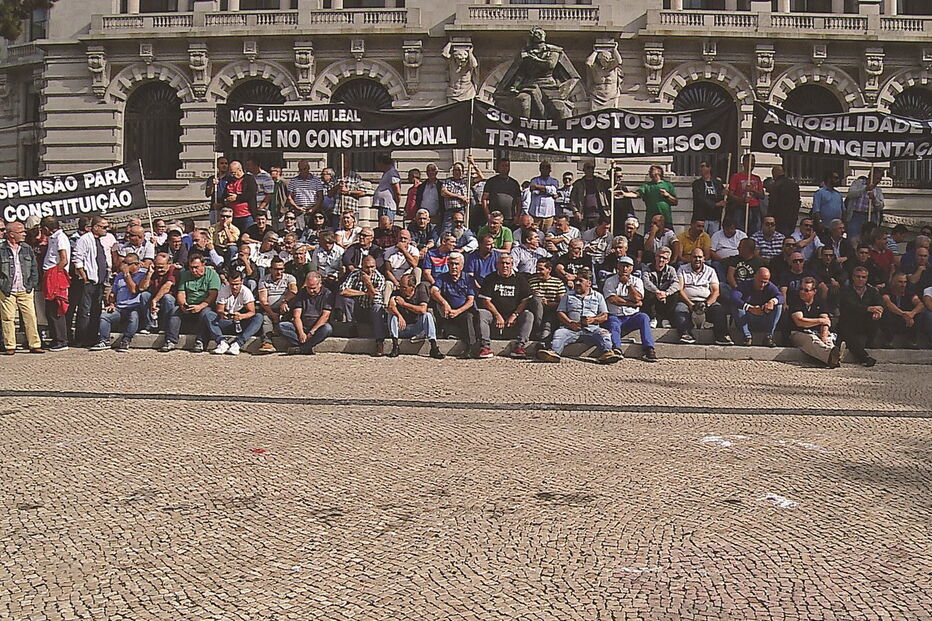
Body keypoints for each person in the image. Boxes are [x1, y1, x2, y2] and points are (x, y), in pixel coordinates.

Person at [535, 268, 621, 365]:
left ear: (589, 283)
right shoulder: (568, 295)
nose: (577, 283)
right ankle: (553, 353)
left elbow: (604, 315)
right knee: (559, 333)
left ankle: (607, 353)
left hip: (592, 328)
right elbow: (560, 312)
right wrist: (570, 323)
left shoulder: (598, 296)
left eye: (580, 281)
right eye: (576, 280)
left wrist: (593, 320)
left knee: (604, 334)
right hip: (570, 328)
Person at [476, 253, 535, 359]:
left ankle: (520, 347)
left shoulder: (520, 279)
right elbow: (486, 301)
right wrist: (497, 315)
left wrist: (515, 315)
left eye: (508, 263)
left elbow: (525, 300)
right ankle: (485, 347)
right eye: (502, 263)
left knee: (528, 315)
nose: (505, 266)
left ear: (512, 265)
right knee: (482, 313)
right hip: (494, 314)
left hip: (514, 314)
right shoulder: (490, 278)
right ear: (497, 265)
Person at [0, 221, 44, 354]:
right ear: (11, 234)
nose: (24, 234)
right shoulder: (2, 249)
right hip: (8, 289)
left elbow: (34, 267)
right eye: (21, 232)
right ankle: (10, 346)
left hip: (25, 288)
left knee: (30, 317)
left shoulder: (26, 248)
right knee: (8, 318)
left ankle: (35, 344)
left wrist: (31, 284)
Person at [603, 256, 657, 361]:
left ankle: (649, 348)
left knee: (644, 317)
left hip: (632, 316)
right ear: (618, 266)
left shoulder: (637, 281)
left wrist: (628, 284)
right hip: (615, 315)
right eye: (622, 266)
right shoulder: (610, 281)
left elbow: (637, 298)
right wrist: (632, 304)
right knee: (613, 323)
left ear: (631, 268)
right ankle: (617, 349)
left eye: (627, 266)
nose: (624, 269)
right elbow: (612, 299)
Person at [163, 254, 221, 353]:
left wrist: (200, 306)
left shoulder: (213, 275)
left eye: (196, 267)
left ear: (203, 265)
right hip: (189, 304)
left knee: (206, 314)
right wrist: (183, 304)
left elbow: (212, 296)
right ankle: (170, 340)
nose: (194, 270)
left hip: (205, 305)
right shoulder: (186, 275)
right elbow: (181, 293)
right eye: (191, 267)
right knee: (175, 311)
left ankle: (200, 341)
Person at [91, 252, 147, 352]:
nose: (124, 266)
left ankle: (126, 340)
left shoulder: (142, 275)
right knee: (104, 316)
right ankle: (104, 341)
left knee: (133, 316)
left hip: (134, 307)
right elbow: (113, 293)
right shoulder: (119, 276)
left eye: (127, 264)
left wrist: (126, 274)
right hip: (119, 307)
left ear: (136, 264)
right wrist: (111, 303)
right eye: (124, 263)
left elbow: (134, 290)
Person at [73, 216, 115, 347]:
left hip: (100, 281)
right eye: (104, 227)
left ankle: (92, 336)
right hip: (89, 280)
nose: (106, 230)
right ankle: (82, 338)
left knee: (96, 310)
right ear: (95, 227)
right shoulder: (84, 239)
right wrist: (84, 277)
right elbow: (78, 259)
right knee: (85, 311)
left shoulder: (102, 240)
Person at [674, 248, 730, 345]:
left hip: (706, 301)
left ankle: (721, 336)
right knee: (679, 309)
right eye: (695, 257)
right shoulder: (682, 269)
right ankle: (685, 334)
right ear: (690, 258)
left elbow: (716, 291)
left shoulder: (711, 271)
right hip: (687, 301)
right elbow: (680, 289)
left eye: (700, 257)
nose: (697, 259)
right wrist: (690, 304)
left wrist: (707, 304)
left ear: (704, 259)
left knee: (719, 309)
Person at [201, 270, 262, 356]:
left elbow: (252, 312)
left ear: (242, 282)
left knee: (258, 317)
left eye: (237, 284)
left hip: (240, 322)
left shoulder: (246, 292)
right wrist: (222, 313)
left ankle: (238, 344)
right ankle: (222, 342)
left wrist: (242, 316)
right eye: (232, 284)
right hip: (226, 321)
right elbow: (219, 309)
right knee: (209, 315)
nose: (234, 287)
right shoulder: (223, 290)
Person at [430, 252, 479, 355]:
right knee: (436, 305)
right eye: (451, 264)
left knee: (468, 317)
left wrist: (458, 311)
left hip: (463, 311)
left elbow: (470, 301)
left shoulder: (468, 279)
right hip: (447, 311)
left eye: (456, 264)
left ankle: (471, 347)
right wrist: (444, 303)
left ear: (462, 266)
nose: (454, 267)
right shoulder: (442, 277)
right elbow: (433, 291)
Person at [337, 255, 388, 354]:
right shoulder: (355, 274)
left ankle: (379, 341)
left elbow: (375, 297)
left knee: (377, 308)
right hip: (358, 308)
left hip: (371, 310)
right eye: (367, 267)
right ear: (362, 267)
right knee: (346, 300)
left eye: (372, 267)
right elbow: (343, 291)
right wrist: (364, 293)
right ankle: (352, 327)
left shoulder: (379, 277)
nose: (370, 270)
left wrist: (368, 283)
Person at [788, 276, 843, 368]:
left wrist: (824, 335)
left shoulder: (820, 302)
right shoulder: (796, 302)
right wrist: (819, 321)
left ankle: (833, 354)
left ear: (814, 291)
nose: (802, 292)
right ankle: (832, 356)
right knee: (812, 339)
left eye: (806, 290)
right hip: (798, 333)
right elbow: (800, 321)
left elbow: (826, 321)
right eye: (801, 289)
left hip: (817, 332)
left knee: (827, 340)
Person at [386, 274, 444, 359]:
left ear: (412, 288)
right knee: (392, 315)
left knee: (427, 315)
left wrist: (404, 304)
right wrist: (399, 316)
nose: (401, 289)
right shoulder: (397, 293)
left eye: (404, 287)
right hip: (401, 327)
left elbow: (422, 309)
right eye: (400, 286)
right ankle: (395, 346)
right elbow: (391, 306)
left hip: (416, 327)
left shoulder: (420, 292)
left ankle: (434, 347)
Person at [839, 266, 884, 367]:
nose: (860, 279)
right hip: (849, 323)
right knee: (847, 333)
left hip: (866, 323)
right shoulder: (845, 290)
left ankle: (875, 342)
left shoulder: (872, 291)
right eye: (858, 276)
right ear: (853, 277)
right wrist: (868, 308)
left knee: (879, 318)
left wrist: (879, 311)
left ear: (867, 278)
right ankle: (865, 357)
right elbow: (850, 306)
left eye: (863, 277)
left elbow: (880, 303)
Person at [279, 272, 333, 355]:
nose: (311, 291)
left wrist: (312, 332)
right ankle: (305, 347)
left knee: (327, 328)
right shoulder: (301, 293)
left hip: (317, 326)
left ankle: (302, 348)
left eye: (313, 288)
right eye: (309, 288)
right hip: (303, 325)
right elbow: (296, 316)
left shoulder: (327, 294)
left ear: (320, 284)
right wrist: (301, 333)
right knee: (282, 326)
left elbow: (325, 316)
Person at [39, 216, 70, 351]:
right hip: (50, 275)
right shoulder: (52, 238)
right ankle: (55, 338)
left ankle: (61, 340)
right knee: (49, 309)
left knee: (56, 308)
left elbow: (64, 259)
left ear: (46, 228)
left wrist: (54, 274)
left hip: (56, 275)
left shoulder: (60, 238)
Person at [730, 267, 783, 347]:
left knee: (778, 306)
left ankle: (768, 336)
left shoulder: (770, 286)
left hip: (764, 319)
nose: (762, 285)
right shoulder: (745, 284)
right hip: (747, 318)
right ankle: (747, 337)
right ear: (755, 276)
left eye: (765, 282)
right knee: (736, 306)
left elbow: (780, 297)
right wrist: (749, 308)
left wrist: (772, 302)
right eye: (760, 281)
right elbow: (733, 297)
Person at [256, 257, 298, 354]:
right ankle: (267, 342)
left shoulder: (289, 278)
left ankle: (292, 342)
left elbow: (294, 290)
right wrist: (272, 314)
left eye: (281, 269)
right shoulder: (264, 280)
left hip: (286, 307)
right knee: (266, 318)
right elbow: (263, 300)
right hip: (270, 308)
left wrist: (284, 301)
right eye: (276, 269)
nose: (279, 272)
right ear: (270, 269)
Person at [137, 252, 177, 338]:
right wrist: (149, 273)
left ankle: (165, 327)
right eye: (157, 267)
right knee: (144, 295)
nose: (159, 270)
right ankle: (149, 325)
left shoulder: (173, 270)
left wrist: (154, 300)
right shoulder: (154, 271)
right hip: (155, 298)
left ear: (169, 264)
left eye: (161, 267)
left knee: (168, 298)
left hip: (168, 300)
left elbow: (167, 286)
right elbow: (141, 288)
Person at [528, 257, 566, 343]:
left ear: (549, 269)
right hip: (534, 311)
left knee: (546, 332)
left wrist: (548, 303)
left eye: (541, 269)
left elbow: (562, 303)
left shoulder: (558, 282)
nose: (538, 272)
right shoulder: (531, 281)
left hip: (550, 312)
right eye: (537, 269)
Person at [880, 272, 923, 347]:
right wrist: (903, 314)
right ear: (893, 282)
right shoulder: (886, 291)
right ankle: (889, 341)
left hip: (907, 321)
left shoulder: (909, 292)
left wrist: (912, 314)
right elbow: (888, 303)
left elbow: (920, 304)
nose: (903, 285)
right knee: (885, 313)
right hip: (893, 318)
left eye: (905, 282)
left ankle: (912, 341)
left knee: (919, 314)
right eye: (900, 282)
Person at [641, 246, 679, 328]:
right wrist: (657, 291)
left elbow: (676, 283)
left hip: (665, 297)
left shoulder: (671, 270)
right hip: (653, 295)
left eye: (664, 258)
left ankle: (666, 319)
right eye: (659, 256)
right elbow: (645, 281)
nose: (661, 259)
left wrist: (666, 293)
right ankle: (653, 318)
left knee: (675, 294)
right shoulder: (647, 268)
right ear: (655, 257)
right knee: (647, 292)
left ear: (668, 260)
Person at [727, 154, 763, 234]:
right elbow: (730, 195)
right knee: (740, 230)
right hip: (740, 208)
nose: (752, 163)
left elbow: (762, 195)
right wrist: (741, 200)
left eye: (753, 161)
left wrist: (753, 190)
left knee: (755, 230)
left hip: (754, 208)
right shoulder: (736, 177)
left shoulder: (757, 178)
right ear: (744, 162)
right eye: (750, 161)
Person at [845, 169, 884, 242]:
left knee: (870, 239)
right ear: (870, 176)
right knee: (853, 238)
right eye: (876, 178)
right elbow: (851, 194)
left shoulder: (878, 190)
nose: (878, 181)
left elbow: (880, 206)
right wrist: (865, 189)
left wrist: (874, 199)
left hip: (870, 216)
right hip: (856, 215)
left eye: (879, 179)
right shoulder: (858, 183)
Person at [570, 161, 611, 228]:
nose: (590, 170)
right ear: (584, 170)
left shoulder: (600, 182)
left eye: (592, 168)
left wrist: (612, 169)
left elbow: (612, 182)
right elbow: (572, 200)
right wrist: (576, 211)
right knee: (584, 233)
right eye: (588, 167)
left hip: (599, 215)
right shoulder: (578, 184)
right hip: (583, 215)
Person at [481, 158, 521, 224]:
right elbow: (484, 199)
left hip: (509, 218)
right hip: (494, 217)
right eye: (502, 166)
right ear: (498, 167)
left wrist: (517, 216)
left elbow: (519, 201)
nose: (505, 168)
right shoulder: (491, 181)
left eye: (507, 166)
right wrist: (487, 214)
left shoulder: (514, 183)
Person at [691, 161, 726, 235]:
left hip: (715, 217)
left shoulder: (717, 183)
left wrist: (724, 195)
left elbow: (722, 196)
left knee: (714, 238)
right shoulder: (697, 184)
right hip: (702, 217)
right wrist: (715, 204)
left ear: (709, 168)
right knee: (701, 237)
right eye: (700, 167)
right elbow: (699, 199)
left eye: (703, 166)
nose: (701, 169)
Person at [287, 159, 323, 228]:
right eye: (301, 169)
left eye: (304, 169)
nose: (303, 171)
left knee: (312, 229)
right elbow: (289, 197)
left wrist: (313, 209)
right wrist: (297, 207)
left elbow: (320, 197)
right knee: (299, 230)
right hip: (299, 211)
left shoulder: (316, 180)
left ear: (308, 168)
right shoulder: (293, 181)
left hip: (313, 209)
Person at [808, 246, 846, 311]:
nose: (828, 257)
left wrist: (838, 281)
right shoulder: (815, 264)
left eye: (830, 255)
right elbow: (815, 275)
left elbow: (844, 273)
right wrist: (831, 280)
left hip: (833, 285)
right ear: (821, 256)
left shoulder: (834, 264)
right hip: (820, 285)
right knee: (832, 289)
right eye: (826, 255)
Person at [223, 161, 258, 232]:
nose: (232, 175)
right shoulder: (230, 180)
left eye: (234, 172)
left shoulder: (249, 179)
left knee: (247, 234)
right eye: (231, 173)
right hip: (232, 215)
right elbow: (224, 194)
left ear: (240, 170)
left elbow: (251, 193)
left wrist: (237, 198)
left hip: (246, 215)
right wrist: (226, 200)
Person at [767, 165, 801, 237]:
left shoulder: (775, 185)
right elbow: (798, 201)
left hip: (779, 218)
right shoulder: (794, 184)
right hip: (792, 217)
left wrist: (770, 215)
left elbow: (772, 203)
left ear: (775, 173)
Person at [527, 161, 559, 231]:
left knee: (548, 233)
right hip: (535, 214)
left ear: (550, 170)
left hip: (549, 214)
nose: (545, 169)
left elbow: (553, 190)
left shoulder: (554, 181)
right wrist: (547, 191)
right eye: (543, 167)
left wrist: (537, 187)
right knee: (534, 232)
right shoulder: (534, 180)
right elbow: (534, 191)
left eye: (547, 167)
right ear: (540, 169)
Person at [440, 162, 469, 230]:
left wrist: (472, 163)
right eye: (455, 170)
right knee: (446, 230)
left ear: (462, 171)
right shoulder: (447, 181)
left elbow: (481, 178)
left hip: (460, 210)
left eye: (458, 170)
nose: (456, 172)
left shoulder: (465, 182)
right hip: (449, 211)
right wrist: (459, 196)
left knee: (459, 229)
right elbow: (443, 192)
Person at [373, 154, 402, 221]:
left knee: (386, 223)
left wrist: (397, 205)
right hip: (383, 205)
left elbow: (397, 191)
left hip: (388, 206)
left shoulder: (392, 173)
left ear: (382, 163)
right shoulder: (387, 173)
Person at [204, 156, 231, 226]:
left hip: (227, 209)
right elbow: (208, 194)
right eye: (222, 163)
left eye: (226, 163)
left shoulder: (230, 178)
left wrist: (222, 204)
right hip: (214, 209)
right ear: (217, 165)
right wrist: (212, 185)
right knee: (214, 228)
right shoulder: (212, 178)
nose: (224, 165)